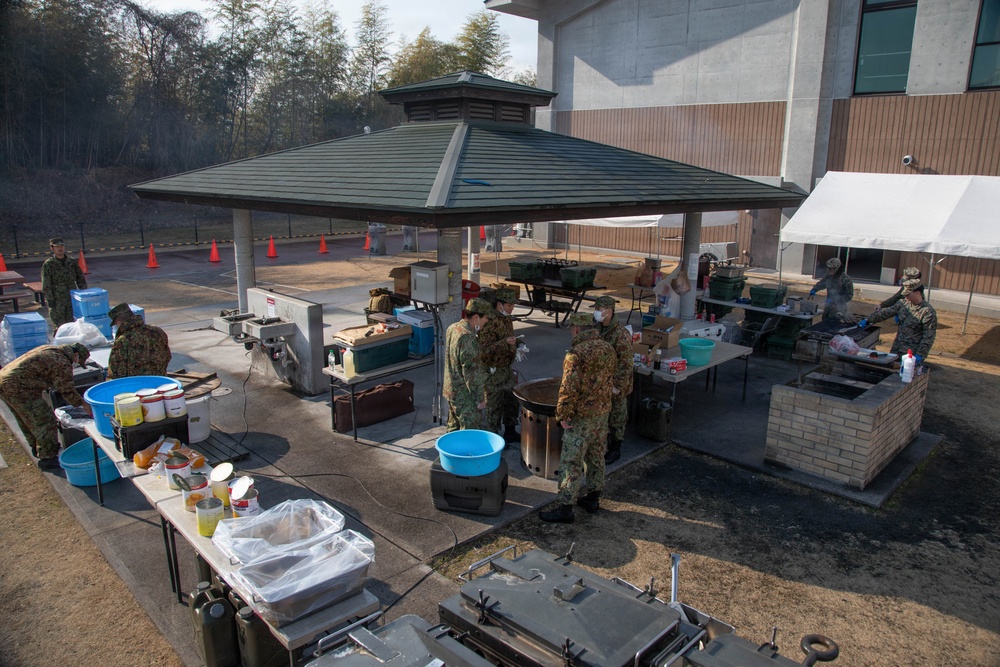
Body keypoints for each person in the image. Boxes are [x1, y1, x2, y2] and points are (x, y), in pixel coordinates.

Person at [539, 311, 616, 523]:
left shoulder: (576, 353)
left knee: (571, 461)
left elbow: (568, 388)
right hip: (602, 414)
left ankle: (566, 508)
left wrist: (562, 414)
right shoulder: (608, 348)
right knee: (596, 456)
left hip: (581, 418)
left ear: (575, 329)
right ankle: (593, 498)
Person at [0, 343, 93, 469]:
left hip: (4, 380)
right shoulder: (62, 361)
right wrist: (83, 404)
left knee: (25, 418)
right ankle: (48, 457)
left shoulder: (51, 350)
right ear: (75, 355)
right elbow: (66, 389)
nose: (75, 364)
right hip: (18, 387)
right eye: (78, 361)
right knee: (44, 420)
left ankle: (36, 447)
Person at [593, 295, 633, 464]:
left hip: (615, 385)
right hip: (600, 382)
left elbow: (626, 365)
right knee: (603, 415)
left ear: (609, 311)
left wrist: (616, 387)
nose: (596, 313)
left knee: (617, 416)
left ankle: (616, 448)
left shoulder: (620, 335)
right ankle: (603, 444)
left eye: (599, 310)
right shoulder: (597, 329)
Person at [859, 279, 937, 364]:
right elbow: (885, 313)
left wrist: (920, 354)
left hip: (911, 353)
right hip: (897, 348)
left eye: (908, 294)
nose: (906, 297)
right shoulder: (903, 304)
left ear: (917, 293)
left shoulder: (927, 312)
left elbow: (929, 336)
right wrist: (868, 319)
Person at [479, 287, 520, 444]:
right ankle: (493, 440)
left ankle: (510, 432)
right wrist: (504, 344)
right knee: (493, 407)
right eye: (509, 305)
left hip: (506, 369)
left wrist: (519, 344)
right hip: (492, 372)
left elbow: (510, 337)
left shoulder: (506, 318)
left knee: (511, 401)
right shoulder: (488, 322)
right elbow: (485, 350)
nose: (512, 308)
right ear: (499, 305)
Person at [443, 297, 490, 432]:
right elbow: (471, 373)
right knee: (469, 434)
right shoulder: (468, 338)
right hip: (465, 397)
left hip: (451, 391)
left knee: (452, 431)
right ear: (476, 317)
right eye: (485, 318)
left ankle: (448, 453)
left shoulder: (453, 328)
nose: (486, 321)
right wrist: (480, 398)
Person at [106, 303, 172, 379]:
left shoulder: (122, 341)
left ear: (118, 321)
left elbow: (116, 372)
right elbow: (168, 356)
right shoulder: (158, 331)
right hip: (160, 383)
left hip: (136, 387)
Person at [40, 237, 88, 329]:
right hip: (57, 301)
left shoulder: (71, 262)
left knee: (73, 326)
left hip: (71, 298)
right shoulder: (49, 264)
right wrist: (50, 300)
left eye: (61, 246)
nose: (60, 248)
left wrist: (84, 294)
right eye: (57, 246)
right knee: (59, 327)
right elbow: (46, 284)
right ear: (52, 248)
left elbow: (80, 278)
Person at [809, 257, 854, 322]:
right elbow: (822, 283)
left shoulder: (846, 279)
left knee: (834, 326)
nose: (828, 270)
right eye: (828, 268)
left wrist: (835, 300)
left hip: (839, 309)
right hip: (828, 307)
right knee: (824, 324)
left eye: (830, 268)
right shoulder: (828, 276)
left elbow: (849, 295)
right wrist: (814, 289)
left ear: (837, 269)